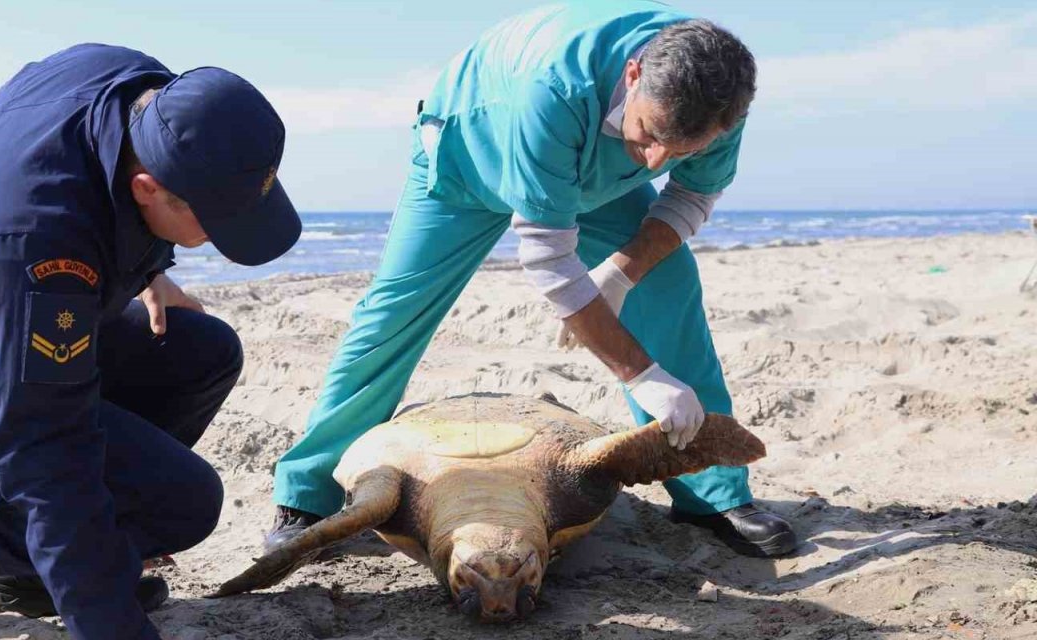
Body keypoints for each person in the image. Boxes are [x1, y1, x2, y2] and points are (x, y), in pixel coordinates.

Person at [268, 1, 797, 560]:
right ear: (633, 74)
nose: (655, 160)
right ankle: (309, 492)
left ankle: (710, 495)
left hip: (588, 177)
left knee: (668, 282)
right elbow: (547, 258)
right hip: (469, 158)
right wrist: (643, 374)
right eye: (649, 133)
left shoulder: (718, 100)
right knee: (393, 315)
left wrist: (621, 272)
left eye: (682, 149)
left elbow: (690, 195)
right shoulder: (553, 86)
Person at [0, 43, 300, 640]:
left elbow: (92, 195)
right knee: (181, 503)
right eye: (215, 224)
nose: (221, 238)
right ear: (148, 188)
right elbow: (44, 452)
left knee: (199, 353)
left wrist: (146, 266)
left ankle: (29, 570)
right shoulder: (35, 244)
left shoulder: (126, 84)